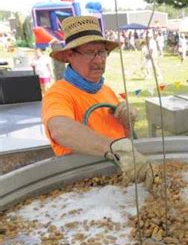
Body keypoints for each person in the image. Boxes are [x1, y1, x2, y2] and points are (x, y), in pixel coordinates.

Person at [42, 16, 151, 185]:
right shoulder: (58, 93)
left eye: (101, 52)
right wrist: (118, 149)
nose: (99, 61)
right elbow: (60, 129)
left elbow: (125, 140)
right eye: (89, 53)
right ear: (70, 55)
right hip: (84, 182)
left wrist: (128, 123)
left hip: (119, 177)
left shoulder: (107, 91)